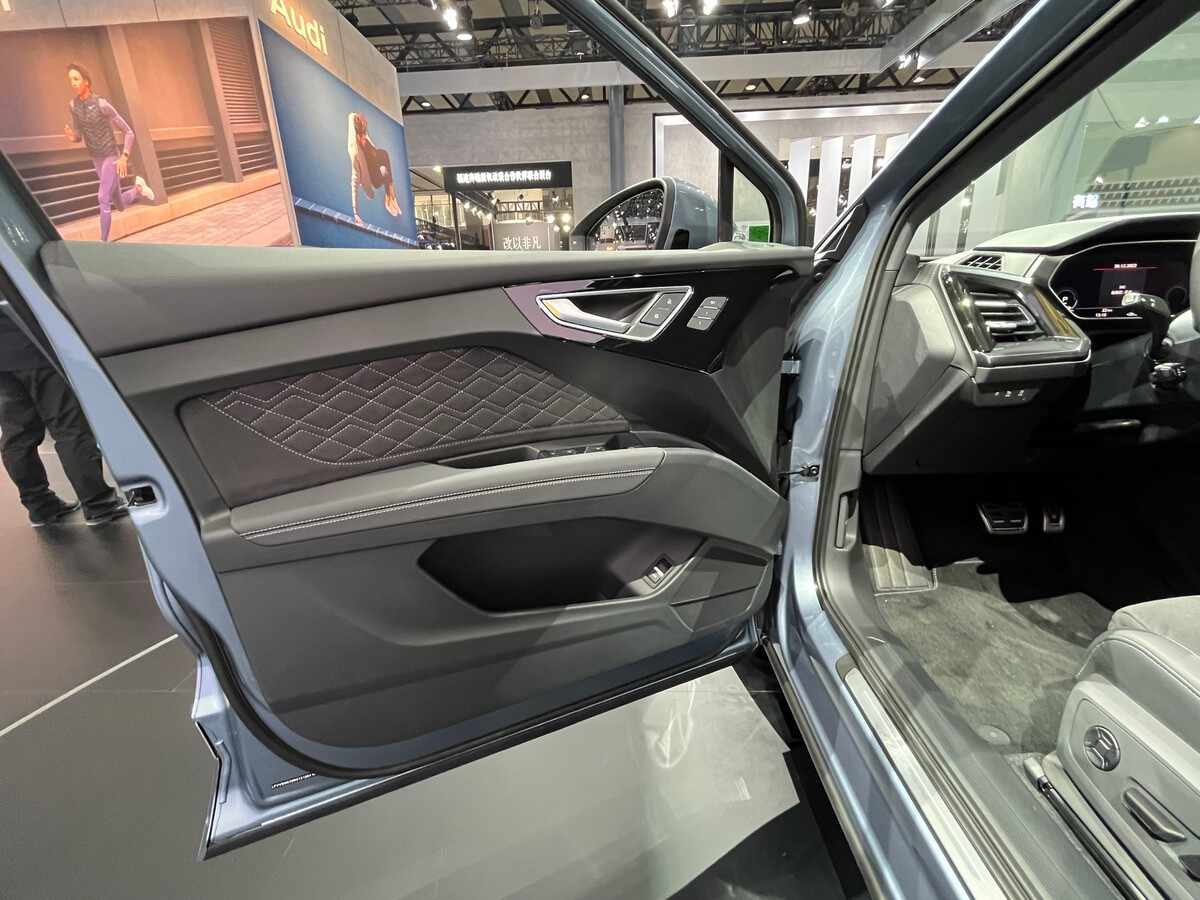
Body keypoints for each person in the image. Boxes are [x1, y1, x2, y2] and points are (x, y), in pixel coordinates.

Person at [0, 310, 128, 527]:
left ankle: (41, 508)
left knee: (17, 434)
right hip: (34, 349)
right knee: (69, 428)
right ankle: (98, 504)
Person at [63, 63, 155, 242]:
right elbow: (79, 136)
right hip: (96, 157)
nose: (73, 83)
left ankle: (103, 243)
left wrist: (124, 157)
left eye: (76, 79)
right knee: (119, 204)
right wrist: (72, 137)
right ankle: (138, 189)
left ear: (86, 82)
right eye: (70, 80)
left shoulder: (102, 104)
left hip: (111, 156)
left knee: (102, 197)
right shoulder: (73, 106)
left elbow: (129, 132)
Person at [347, 112, 402, 225]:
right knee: (384, 169)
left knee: (383, 154)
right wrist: (355, 213)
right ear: (357, 134)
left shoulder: (365, 138)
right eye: (362, 135)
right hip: (374, 180)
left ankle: (391, 196)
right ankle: (389, 199)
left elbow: (352, 117)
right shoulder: (355, 152)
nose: (364, 136)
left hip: (377, 167)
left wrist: (356, 117)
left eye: (364, 133)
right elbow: (354, 181)